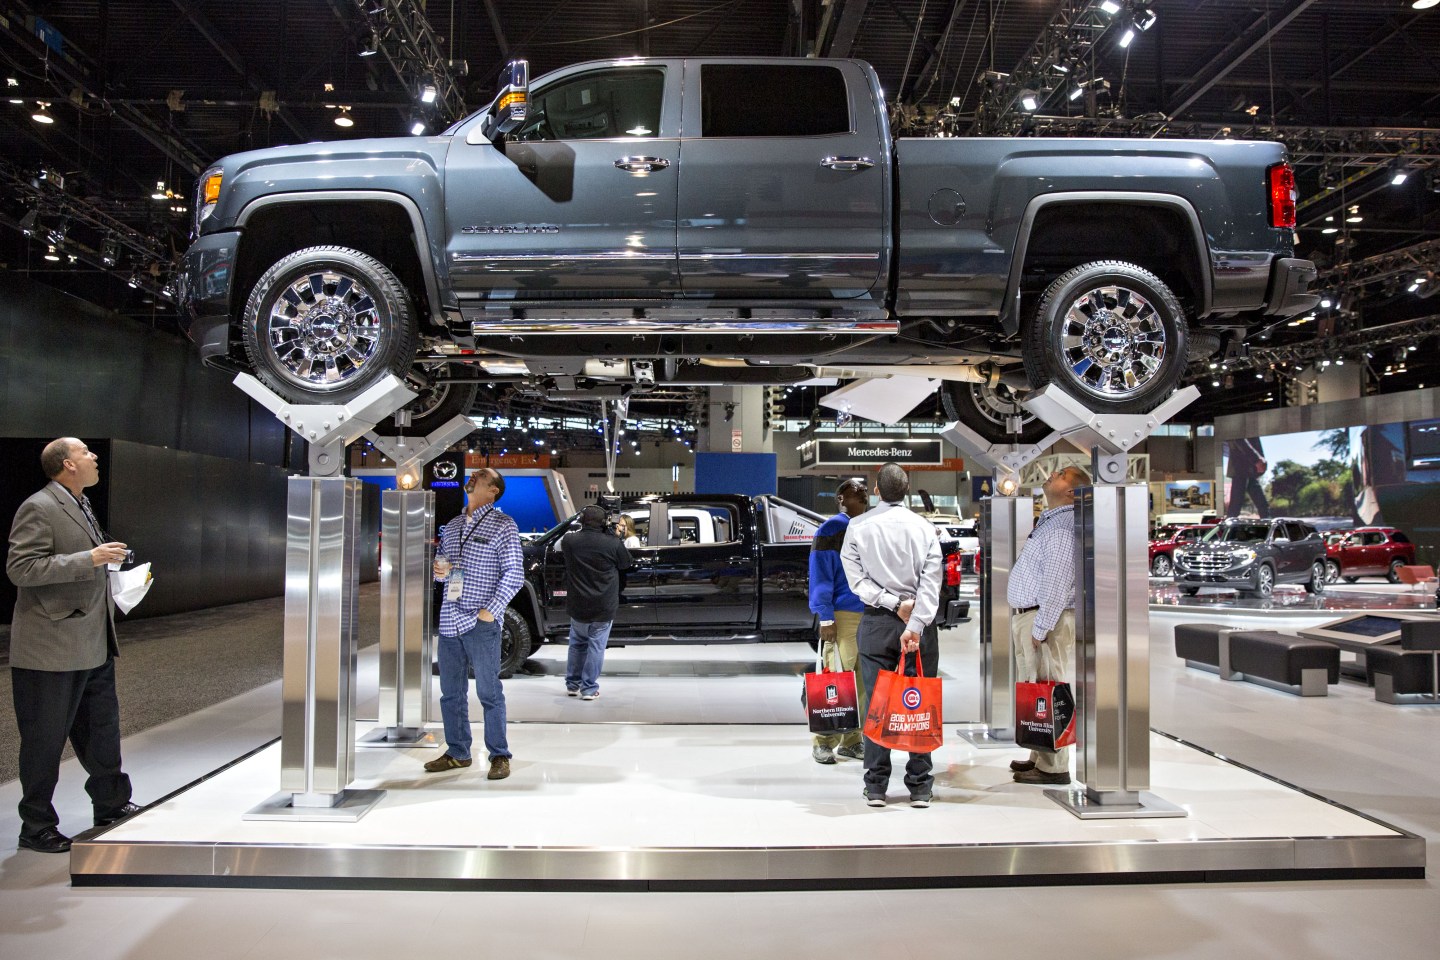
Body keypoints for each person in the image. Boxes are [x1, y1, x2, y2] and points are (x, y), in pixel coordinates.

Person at [6, 438, 140, 853]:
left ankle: (111, 805)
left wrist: (109, 562)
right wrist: (90, 559)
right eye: (86, 453)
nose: (95, 457)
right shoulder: (39, 506)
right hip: (51, 648)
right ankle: (36, 826)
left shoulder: (79, 503)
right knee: (45, 740)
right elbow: (21, 568)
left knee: (102, 730)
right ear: (67, 464)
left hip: (93, 641)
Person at [840, 463, 944, 808]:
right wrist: (914, 624)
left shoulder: (858, 526)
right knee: (921, 702)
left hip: (877, 623)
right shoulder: (925, 527)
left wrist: (892, 603)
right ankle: (919, 787)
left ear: (876, 491)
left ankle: (876, 787)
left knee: (876, 703)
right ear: (908, 489)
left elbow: (857, 581)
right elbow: (932, 583)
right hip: (919, 627)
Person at [425, 468, 523, 780]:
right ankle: (457, 752)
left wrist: (491, 610)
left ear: (494, 490)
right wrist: (439, 571)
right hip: (450, 620)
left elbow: (514, 573)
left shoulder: (503, 525)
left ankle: (499, 754)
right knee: (450, 692)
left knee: (488, 691)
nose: (474, 475)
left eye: (482, 475)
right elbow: (442, 569)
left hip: (480, 622)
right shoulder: (453, 525)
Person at [1007, 464, 1090, 786]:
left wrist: (1041, 628)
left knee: (1048, 690)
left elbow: (1057, 581)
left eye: (1060, 474)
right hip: (1034, 616)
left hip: (1044, 619)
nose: (1051, 474)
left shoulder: (1063, 526)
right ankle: (1039, 753)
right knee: (1035, 688)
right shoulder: (1052, 521)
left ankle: (1055, 767)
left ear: (1071, 491)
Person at [807, 478, 869, 764]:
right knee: (835, 678)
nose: (863, 492)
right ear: (841, 499)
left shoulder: (868, 526)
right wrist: (826, 615)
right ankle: (823, 741)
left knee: (860, 683)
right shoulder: (830, 530)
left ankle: (852, 740)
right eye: (855, 490)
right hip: (842, 616)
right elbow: (820, 576)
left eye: (864, 489)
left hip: (870, 614)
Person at [561, 505, 634, 700]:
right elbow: (626, 562)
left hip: (577, 604)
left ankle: (572, 684)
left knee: (577, 645)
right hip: (603, 605)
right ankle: (589, 689)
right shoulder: (612, 543)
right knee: (595, 646)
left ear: (582, 520)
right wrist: (612, 534)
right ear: (604, 522)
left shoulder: (569, 541)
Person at [1225, 437, 1269, 518]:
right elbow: (1238, 439)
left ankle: (1269, 529)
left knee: (1263, 505)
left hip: (1247, 470)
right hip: (1241, 469)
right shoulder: (1238, 427)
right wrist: (1257, 459)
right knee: (1235, 509)